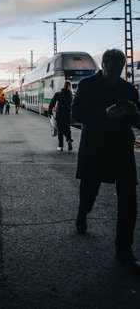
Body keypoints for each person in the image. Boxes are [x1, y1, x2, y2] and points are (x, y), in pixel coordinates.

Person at [72, 49, 140, 273]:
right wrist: (105, 114)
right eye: (112, 70)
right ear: (103, 65)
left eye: (120, 70)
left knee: (129, 200)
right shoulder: (87, 85)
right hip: (95, 148)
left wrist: (133, 113)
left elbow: (139, 122)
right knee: (89, 191)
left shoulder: (128, 89)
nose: (115, 74)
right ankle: (83, 213)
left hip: (121, 149)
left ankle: (124, 252)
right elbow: (77, 114)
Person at [48, 80, 73, 152]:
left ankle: (60, 146)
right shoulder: (71, 95)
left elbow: (52, 103)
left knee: (60, 130)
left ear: (63, 85)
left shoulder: (58, 94)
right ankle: (69, 141)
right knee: (67, 129)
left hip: (60, 115)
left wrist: (50, 112)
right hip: (67, 115)